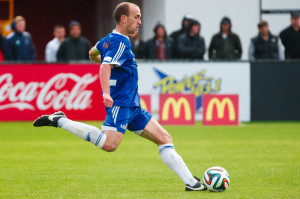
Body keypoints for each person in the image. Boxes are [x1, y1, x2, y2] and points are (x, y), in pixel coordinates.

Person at [33, 2, 206, 192]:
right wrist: (106, 91)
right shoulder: (121, 42)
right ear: (124, 18)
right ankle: (61, 121)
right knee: (109, 145)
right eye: (137, 17)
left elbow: (92, 53)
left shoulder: (109, 39)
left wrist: (111, 64)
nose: (140, 21)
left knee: (164, 138)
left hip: (133, 105)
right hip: (121, 104)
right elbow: (104, 66)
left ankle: (191, 183)